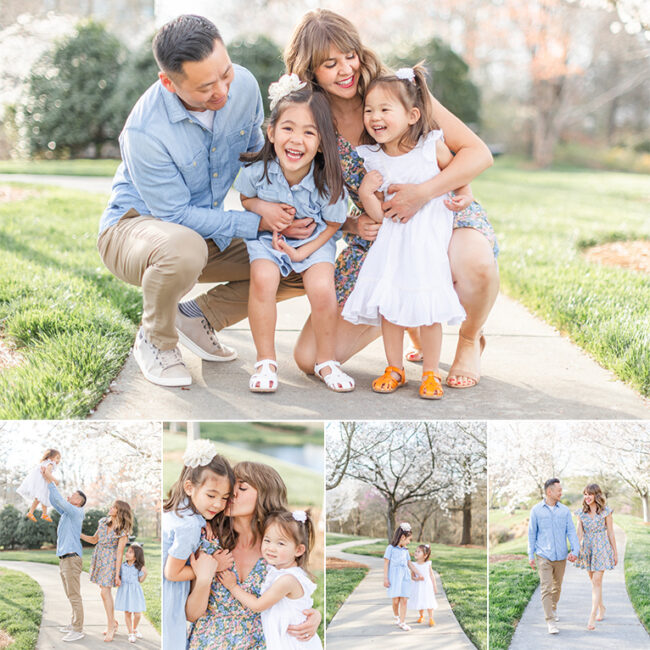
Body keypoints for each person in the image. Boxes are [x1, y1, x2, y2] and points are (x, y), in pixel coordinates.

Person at [285, 9, 499, 388]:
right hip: (381, 232)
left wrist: (422, 193)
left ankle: (468, 338)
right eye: (329, 64)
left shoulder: (395, 90)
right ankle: (410, 318)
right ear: (310, 71)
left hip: (440, 213)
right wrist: (351, 224)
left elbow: (477, 152)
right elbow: (305, 197)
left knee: (476, 262)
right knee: (311, 358)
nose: (345, 69)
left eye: (349, 55)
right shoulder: (311, 120)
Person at [97, 14, 309, 387]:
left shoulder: (242, 85)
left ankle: (200, 317)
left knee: (301, 259)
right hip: (133, 229)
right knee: (183, 248)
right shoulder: (145, 132)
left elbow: (258, 159)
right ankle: (156, 340)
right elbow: (175, 215)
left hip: (203, 230)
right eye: (206, 87)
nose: (223, 92)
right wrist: (256, 222)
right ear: (168, 81)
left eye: (224, 74)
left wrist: (283, 215)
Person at [341, 64, 468, 399]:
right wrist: (368, 194)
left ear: (412, 115)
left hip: (425, 247)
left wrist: (464, 192)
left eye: (385, 109)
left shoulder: (430, 147)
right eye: (369, 110)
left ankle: (430, 374)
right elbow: (379, 215)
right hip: (392, 247)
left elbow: (457, 170)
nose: (374, 116)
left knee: (428, 311)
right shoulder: (374, 159)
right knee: (390, 308)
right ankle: (394, 367)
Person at [234, 74, 353, 393]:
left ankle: (326, 360)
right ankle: (265, 360)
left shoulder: (327, 182)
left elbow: (332, 225)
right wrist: (264, 209)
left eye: (309, 132)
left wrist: (304, 251)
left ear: (321, 142)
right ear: (271, 132)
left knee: (323, 290)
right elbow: (246, 199)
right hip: (268, 241)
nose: (296, 140)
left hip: (315, 243)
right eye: (288, 128)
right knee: (263, 280)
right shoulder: (257, 172)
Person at [186, 461, 321, 648]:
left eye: (242, 487)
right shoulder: (210, 541)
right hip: (207, 643)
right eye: (231, 486)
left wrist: (312, 615)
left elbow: (294, 593)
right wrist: (204, 577)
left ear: (265, 496)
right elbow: (192, 614)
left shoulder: (278, 551)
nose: (232, 493)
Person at [162, 440, 234, 649]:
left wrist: (206, 522)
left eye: (225, 498)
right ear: (189, 487)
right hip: (170, 598)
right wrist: (213, 567)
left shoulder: (179, 512)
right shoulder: (189, 526)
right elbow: (172, 573)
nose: (218, 504)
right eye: (211, 495)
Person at [218, 509, 322, 649]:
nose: (271, 548)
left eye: (281, 544)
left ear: (298, 550)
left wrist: (233, 587)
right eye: (267, 540)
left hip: (293, 643)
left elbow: (258, 605)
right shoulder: (277, 570)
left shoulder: (287, 580)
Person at [528, 478, 579, 635]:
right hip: (543, 555)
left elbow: (571, 531)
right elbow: (532, 533)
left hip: (561, 556)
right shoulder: (536, 510)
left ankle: (553, 608)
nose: (561, 492)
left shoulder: (564, 511)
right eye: (559, 490)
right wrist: (531, 555)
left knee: (557, 587)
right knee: (546, 588)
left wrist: (575, 550)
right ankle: (549, 621)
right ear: (549, 492)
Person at [42, 468, 86, 643]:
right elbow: (55, 501)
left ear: (78, 502)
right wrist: (47, 483)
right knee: (70, 594)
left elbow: (59, 499)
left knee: (74, 595)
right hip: (64, 559)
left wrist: (51, 481)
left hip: (71, 558)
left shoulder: (76, 512)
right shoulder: (67, 513)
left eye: (73, 496)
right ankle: (73, 623)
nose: (69, 496)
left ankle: (78, 629)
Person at [81, 500, 133, 642]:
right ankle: (113, 623)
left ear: (120, 511)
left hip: (110, 560)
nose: (110, 508)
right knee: (104, 591)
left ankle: (111, 626)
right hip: (99, 556)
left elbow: (119, 553)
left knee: (105, 591)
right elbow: (93, 540)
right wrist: (78, 534)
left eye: (114, 507)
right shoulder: (103, 522)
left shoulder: (122, 531)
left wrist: (117, 574)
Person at [574, 483, 618, 631]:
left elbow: (611, 533)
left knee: (597, 580)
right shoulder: (581, 514)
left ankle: (592, 615)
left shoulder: (606, 512)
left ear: (596, 495)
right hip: (588, 550)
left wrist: (615, 552)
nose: (587, 497)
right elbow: (579, 534)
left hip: (602, 549)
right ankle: (602, 607)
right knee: (594, 583)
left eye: (590, 494)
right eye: (585, 494)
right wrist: (573, 551)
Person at [383, 522, 421, 631]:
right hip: (394, 578)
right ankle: (396, 616)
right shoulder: (390, 548)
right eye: (408, 539)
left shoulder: (405, 550)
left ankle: (403, 622)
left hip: (405, 578)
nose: (409, 542)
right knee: (395, 601)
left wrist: (418, 573)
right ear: (403, 537)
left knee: (404, 600)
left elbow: (409, 563)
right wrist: (385, 578)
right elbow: (386, 564)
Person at [114, 543, 148, 644]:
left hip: (135, 592)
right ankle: (130, 633)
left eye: (130, 552)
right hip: (125, 591)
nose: (127, 553)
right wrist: (118, 580)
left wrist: (145, 573)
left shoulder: (139, 567)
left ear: (136, 555)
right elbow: (119, 576)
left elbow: (140, 580)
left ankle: (134, 629)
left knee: (137, 614)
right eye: (127, 551)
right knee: (127, 612)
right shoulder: (122, 566)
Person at [17, 448, 61, 523]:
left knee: (42, 497)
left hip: (38, 481)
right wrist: (55, 480)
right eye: (57, 458)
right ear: (51, 457)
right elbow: (47, 473)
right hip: (42, 482)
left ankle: (43, 513)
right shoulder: (51, 464)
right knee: (41, 497)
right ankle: (33, 512)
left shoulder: (44, 462)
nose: (58, 460)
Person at [408, 543, 438, 626]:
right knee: (420, 600)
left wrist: (434, 586)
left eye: (419, 552)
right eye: (416, 551)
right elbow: (412, 577)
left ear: (425, 555)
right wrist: (417, 579)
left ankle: (431, 618)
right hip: (418, 586)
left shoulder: (427, 564)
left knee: (429, 601)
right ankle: (421, 616)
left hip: (427, 586)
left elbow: (431, 575)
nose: (416, 553)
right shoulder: (414, 565)